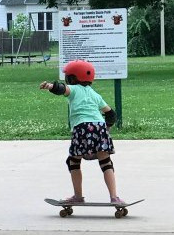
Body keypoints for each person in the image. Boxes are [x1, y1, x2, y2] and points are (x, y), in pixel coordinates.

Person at [40, 59, 122, 204]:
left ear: (72, 78)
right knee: (106, 162)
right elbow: (111, 114)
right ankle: (114, 197)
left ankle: (78, 196)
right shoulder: (95, 94)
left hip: (82, 127)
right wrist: (106, 128)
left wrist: (49, 86)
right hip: (100, 127)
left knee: (73, 161)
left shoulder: (74, 89)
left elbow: (61, 89)